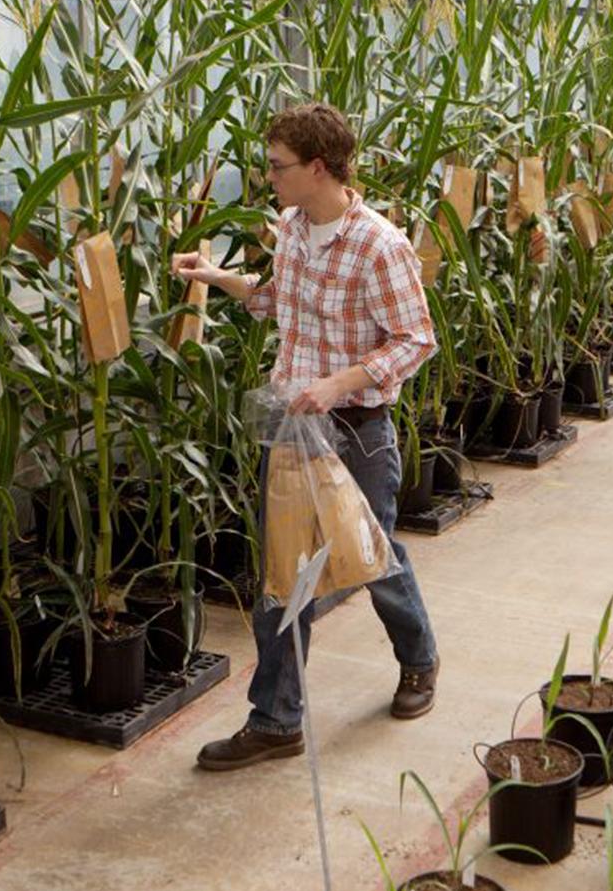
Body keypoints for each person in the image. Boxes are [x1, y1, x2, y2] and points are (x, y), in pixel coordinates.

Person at [171, 102, 441, 772]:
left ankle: (420, 659)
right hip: (295, 427)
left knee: (371, 558)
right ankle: (276, 719)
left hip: (355, 429)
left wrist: (340, 383)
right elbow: (275, 297)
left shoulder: (379, 244)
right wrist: (216, 279)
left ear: (318, 168)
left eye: (278, 166)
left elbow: (416, 340)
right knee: (283, 575)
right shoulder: (293, 227)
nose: (270, 178)